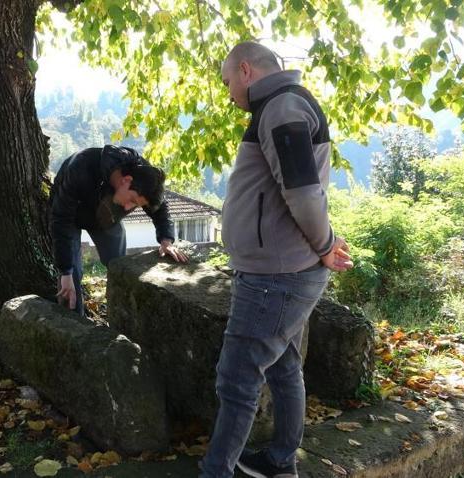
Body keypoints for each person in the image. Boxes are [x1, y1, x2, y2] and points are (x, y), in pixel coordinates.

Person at [199, 42, 354, 478]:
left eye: (229, 81)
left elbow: (304, 194)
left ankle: (216, 472)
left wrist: (324, 246)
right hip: (276, 271)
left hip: (276, 278)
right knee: (284, 367)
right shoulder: (277, 106)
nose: (229, 93)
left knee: (236, 379)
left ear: (245, 70)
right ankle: (282, 461)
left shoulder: (282, 107)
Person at [50, 145, 188, 314]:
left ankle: (121, 319)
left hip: (106, 218)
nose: (129, 207)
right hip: (69, 216)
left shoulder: (144, 174)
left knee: (120, 267)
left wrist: (166, 240)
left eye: (136, 205)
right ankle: (72, 324)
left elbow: (159, 207)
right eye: (132, 200)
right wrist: (65, 271)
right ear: (126, 180)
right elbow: (61, 219)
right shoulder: (81, 167)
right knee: (70, 276)